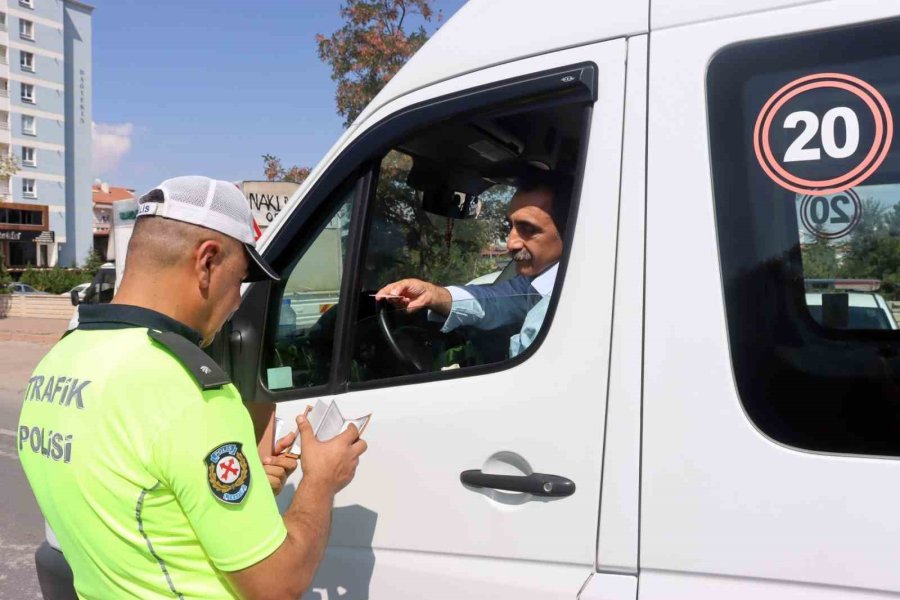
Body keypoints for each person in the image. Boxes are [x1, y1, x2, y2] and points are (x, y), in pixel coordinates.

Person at [18, 176, 367, 599]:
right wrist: (321, 482)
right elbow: (278, 585)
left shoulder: (60, 360)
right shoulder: (190, 393)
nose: (237, 301)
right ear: (207, 262)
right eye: (238, 279)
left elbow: (139, 503)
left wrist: (247, 485)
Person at [375, 179, 567, 357]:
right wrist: (431, 294)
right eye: (511, 226)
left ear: (569, 231)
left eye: (529, 229)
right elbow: (496, 300)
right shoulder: (541, 284)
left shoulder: (565, 304)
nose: (510, 243)